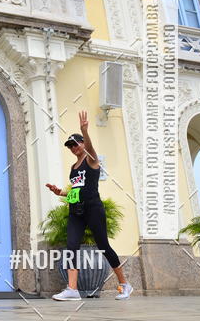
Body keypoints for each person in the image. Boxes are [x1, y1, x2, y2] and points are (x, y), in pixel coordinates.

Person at [46, 111, 132, 301]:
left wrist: (85, 131)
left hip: (93, 208)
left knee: (103, 245)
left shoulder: (91, 160)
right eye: (70, 146)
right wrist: (59, 192)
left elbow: (91, 150)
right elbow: (75, 191)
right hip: (76, 210)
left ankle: (124, 284)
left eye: (75, 144)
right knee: (71, 246)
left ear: (83, 144)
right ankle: (72, 289)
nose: (73, 148)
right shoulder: (73, 168)